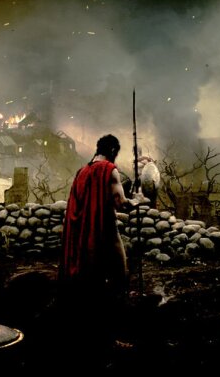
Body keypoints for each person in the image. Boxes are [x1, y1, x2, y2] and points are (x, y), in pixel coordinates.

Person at [59, 134, 139, 355]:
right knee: (119, 278)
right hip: (104, 232)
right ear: (113, 150)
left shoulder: (82, 172)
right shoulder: (109, 170)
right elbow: (120, 203)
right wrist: (138, 201)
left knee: (89, 285)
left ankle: (87, 335)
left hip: (82, 237)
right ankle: (110, 337)